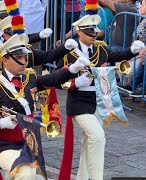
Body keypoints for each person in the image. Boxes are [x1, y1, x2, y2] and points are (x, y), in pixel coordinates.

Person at [56, 10, 145, 180]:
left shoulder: (101, 48)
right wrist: (76, 82)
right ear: (79, 31)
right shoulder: (69, 51)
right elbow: (58, 78)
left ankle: (82, 177)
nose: (94, 35)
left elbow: (117, 56)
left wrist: (132, 50)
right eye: (89, 32)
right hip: (79, 101)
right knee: (97, 137)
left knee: (87, 142)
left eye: (95, 31)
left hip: (98, 100)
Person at [0, 33, 90, 180]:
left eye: (25, 57)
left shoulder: (30, 77)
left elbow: (52, 79)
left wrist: (72, 69)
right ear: (5, 60)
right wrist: (1, 123)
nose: (24, 62)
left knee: (38, 178)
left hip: (28, 144)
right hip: (4, 146)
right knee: (26, 173)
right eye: (19, 58)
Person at [0, 15, 78, 68]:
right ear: (6, 35)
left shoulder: (28, 52)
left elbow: (47, 56)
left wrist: (65, 47)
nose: (23, 62)